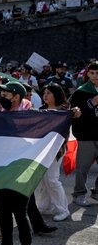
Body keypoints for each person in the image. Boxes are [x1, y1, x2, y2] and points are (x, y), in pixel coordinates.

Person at [0, 82, 37, 245]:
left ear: (16, 96)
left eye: (6, 94)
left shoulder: (29, 116)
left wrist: (72, 113)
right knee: (4, 212)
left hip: (20, 172)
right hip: (2, 170)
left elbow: (50, 120)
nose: (2, 97)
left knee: (20, 213)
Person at [35, 83, 78, 221]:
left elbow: (77, 113)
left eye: (49, 93)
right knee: (43, 179)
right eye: (44, 93)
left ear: (56, 94)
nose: (45, 96)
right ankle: (45, 206)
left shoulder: (65, 110)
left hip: (57, 150)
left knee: (52, 179)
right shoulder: (41, 110)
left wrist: (76, 111)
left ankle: (62, 210)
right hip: (42, 149)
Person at [69, 61, 98, 206]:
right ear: (87, 74)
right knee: (83, 168)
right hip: (86, 135)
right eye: (92, 73)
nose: (95, 76)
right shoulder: (81, 91)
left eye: (97, 73)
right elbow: (75, 113)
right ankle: (79, 194)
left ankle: (97, 191)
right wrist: (92, 103)